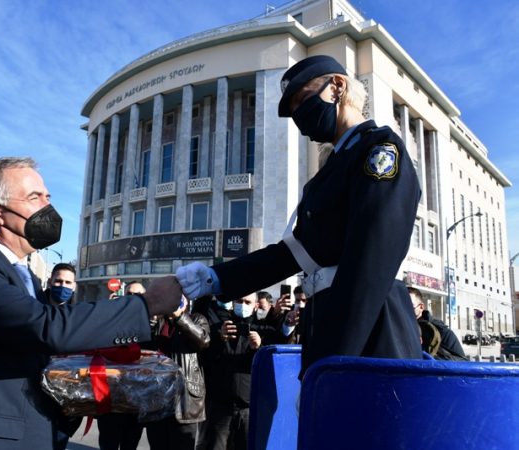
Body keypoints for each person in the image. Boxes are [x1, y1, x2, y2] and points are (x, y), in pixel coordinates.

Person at [175, 55, 422, 379]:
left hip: (372, 337)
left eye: (304, 99)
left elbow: (371, 260)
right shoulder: (328, 172)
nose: (300, 117)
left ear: (337, 87)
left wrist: (336, 361)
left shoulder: (378, 149)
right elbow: (293, 254)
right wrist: (212, 279)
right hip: (330, 335)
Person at [0, 157, 182, 450]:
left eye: (48, 197)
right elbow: (45, 327)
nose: (47, 207)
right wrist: (146, 304)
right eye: (34, 197)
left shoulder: (26, 276)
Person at [203, 293, 277, 450]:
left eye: (247, 302)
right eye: (239, 300)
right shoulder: (221, 326)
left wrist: (259, 348)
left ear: (255, 305)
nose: (242, 305)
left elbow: (270, 367)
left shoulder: (264, 330)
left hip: (249, 407)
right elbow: (207, 360)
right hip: (221, 406)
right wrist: (219, 338)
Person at [146, 297, 210, 450]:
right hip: (157, 400)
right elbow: (143, 350)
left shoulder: (196, 319)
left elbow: (203, 341)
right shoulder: (158, 321)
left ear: (186, 302)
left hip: (184, 400)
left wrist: (180, 317)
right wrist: (151, 322)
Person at [97, 280, 149, 450]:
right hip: (110, 399)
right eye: (129, 294)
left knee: (130, 445)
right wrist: (108, 313)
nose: (133, 298)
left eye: (138, 295)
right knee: (108, 444)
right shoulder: (110, 320)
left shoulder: (151, 323)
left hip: (136, 401)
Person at [409, 287, 466, 360]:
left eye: (410, 306)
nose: (405, 310)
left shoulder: (440, 330)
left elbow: (462, 361)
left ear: (421, 307)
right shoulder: (395, 328)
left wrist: (432, 360)